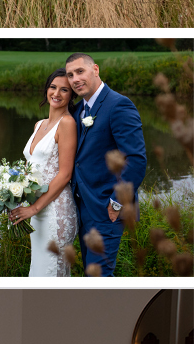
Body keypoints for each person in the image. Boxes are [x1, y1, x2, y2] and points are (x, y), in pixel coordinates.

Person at [63, 51, 148, 276]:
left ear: (95, 69)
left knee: (98, 276)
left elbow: (136, 160)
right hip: (83, 207)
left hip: (107, 209)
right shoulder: (78, 110)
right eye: (70, 75)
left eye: (80, 71)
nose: (75, 79)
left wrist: (116, 203)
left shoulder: (119, 105)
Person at [8, 70, 78, 277]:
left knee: (51, 271)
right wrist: (16, 197)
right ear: (46, 89)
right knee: (38, 270)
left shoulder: (67, 124)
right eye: (53, 87)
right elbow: (31, 167)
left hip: (55, 210)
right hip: (36, 209)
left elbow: (65, 174)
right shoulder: (39, 124)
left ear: (72, 95)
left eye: (64, 90)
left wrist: (34, 208)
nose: (56, 93)